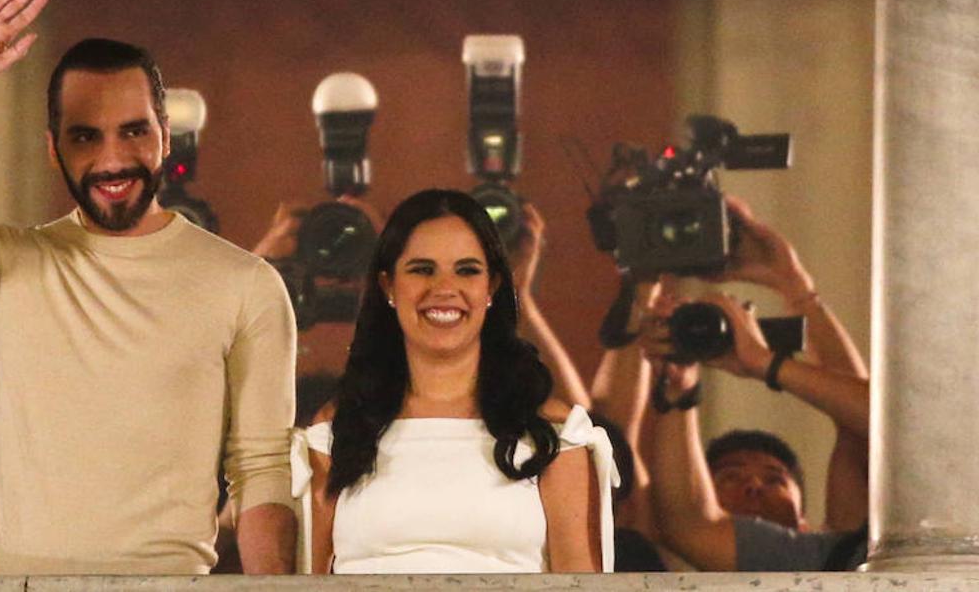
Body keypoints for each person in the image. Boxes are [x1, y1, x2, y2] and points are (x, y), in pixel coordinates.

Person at [0, 0, 297, 575]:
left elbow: (262, 472)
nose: (112, 159)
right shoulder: (7, 267)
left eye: (133, 131)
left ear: (165, 135)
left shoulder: (245, 284)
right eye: (85, 137)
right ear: (53, 150)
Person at [293, 189, 618, 573]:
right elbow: (307, 581)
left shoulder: (554, 431)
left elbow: (581, 584)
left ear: (492, 287)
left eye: (466, 270)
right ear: (388, 287)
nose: (444, 288)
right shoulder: (340, 426)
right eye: (422, 269)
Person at [639, 198, 869, 572]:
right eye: (730, 476)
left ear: (807, 523)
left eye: (776, 479)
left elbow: (871, 429)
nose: (754, 487)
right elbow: (687, 521)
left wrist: (793, 293)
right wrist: (680, 388)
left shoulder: (830, 557)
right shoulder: (793, 560)